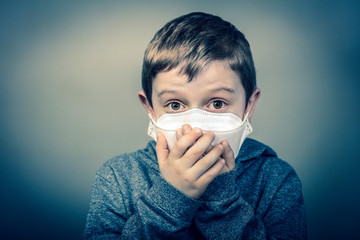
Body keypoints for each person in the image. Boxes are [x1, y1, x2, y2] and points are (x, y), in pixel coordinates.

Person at [83, 12, 306, 239]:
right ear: (149, 107)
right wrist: (171, 196)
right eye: (175, 105)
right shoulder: (117, 178)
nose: (196, 128)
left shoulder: (275, 180)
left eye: (217, 103)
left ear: (249, 105)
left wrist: (221, 198)